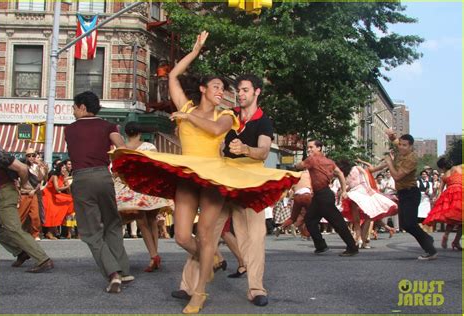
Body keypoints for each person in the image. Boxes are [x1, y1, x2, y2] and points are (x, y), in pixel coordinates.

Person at [112, 69, 300, 312]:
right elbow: (211, 133)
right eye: (239, 90)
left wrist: (246, 149)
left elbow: (263, 151)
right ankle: (190, 285)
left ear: (256, 93)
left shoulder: (262, 121)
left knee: (253, 237)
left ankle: (256, 289)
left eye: (245, 91)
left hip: (247, 183)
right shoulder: (228, 114)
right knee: (205, 234)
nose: (240, 95)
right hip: (219, 177)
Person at [64, 91, 133, 293]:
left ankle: (113, 274)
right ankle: (125, 269)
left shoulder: (69, 130)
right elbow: (121, 146)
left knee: (91, 230)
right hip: (104, 176)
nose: (73, 111)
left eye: (74, 107)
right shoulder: (107, 126)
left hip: (82, 178)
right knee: (112, 222)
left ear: (83, 107)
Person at [113, 121, 173, 272]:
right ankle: (154, 255)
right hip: (148, 187)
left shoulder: (120, 149)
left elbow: (115, 171)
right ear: (140, 133)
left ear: (126, 134)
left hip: (129, 188)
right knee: (151, 220)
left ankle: (154, 256)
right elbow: (156, 166)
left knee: (142, 221)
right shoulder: (149, 147)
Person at [371, 131, 437, 260]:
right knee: (405, 224)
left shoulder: (411, 159)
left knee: (410, 224)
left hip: (411, 193)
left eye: (404, 145)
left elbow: (397, 176)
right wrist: (392, 136)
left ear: (411, 146)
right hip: (402, 193)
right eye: (400, 145)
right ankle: (428, 238)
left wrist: (389, 162)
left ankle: (431, 250)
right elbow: (396, 140)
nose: (401, 147)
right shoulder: (401, 150)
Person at [0, 142, 54, 273]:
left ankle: (43, 259)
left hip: (5, 191)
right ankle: (21, 252)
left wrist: (24, 184)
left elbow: (22, 168)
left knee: (12, 227)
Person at [295, 140, 359, 256]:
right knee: (310, 219)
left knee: (337, 222)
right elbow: (340, 173)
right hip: (321, 196)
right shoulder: (329, 162)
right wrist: (344, 190)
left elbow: (299, 166)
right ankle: (321, 246)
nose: (309, 150)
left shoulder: (311, 160)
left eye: (311, 147)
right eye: (308, 148)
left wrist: (295, 165)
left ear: (319, 148)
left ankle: (352, 247)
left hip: (323, 196)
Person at [338, 160, 397, 249]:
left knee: (356, 220)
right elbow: (365, 174)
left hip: (353, 194)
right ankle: (363, 239)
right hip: (363, 192)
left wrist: (344, 192)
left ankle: (359, 239)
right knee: (368, 218)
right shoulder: (356, 168)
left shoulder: (344, 175)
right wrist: (368, 186)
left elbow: (349, 185)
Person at [423, 157, 462, 251]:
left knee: (452, 218)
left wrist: (437, 199)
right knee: (461, 220)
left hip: (450, 194)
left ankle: (447, 235)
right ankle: (456, 241)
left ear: (443, 167)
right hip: (460, 193)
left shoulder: (444, 175)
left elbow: (440, 190)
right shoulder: (459, 168)